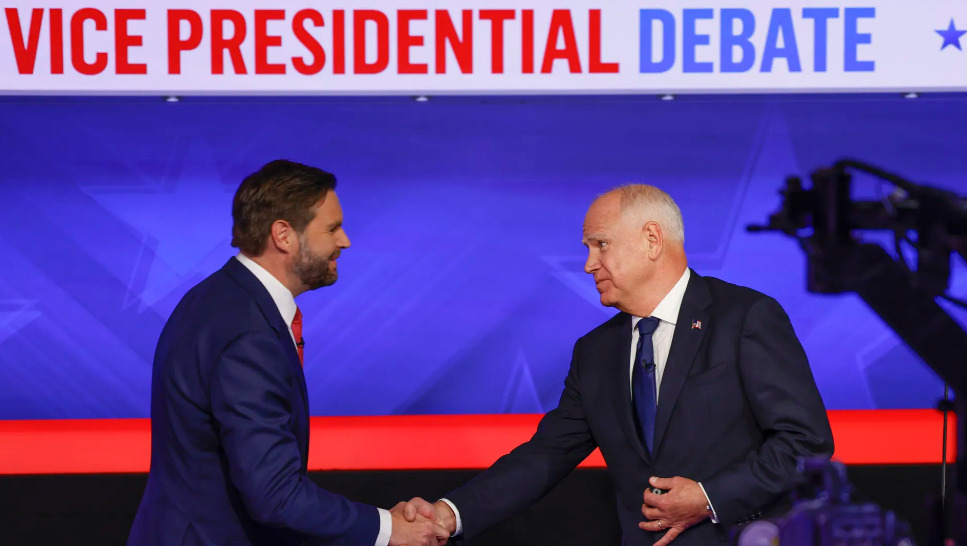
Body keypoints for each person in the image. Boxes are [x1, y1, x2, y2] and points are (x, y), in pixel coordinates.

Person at [414, 185, 834, 545]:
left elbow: (805, 443)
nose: (588, 264)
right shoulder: (595, 352)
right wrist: (449, 516)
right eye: (588, 249)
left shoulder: (743, 317)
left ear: (652, 239)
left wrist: (709, 497)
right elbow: (546, 456)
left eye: (601, 244)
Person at [127, 160, 446, 546]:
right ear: (284, 235)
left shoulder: (219, 298)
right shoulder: (246, 333)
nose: (344, 241)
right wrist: (389, 529)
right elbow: (275, 496)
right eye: (331, 228)